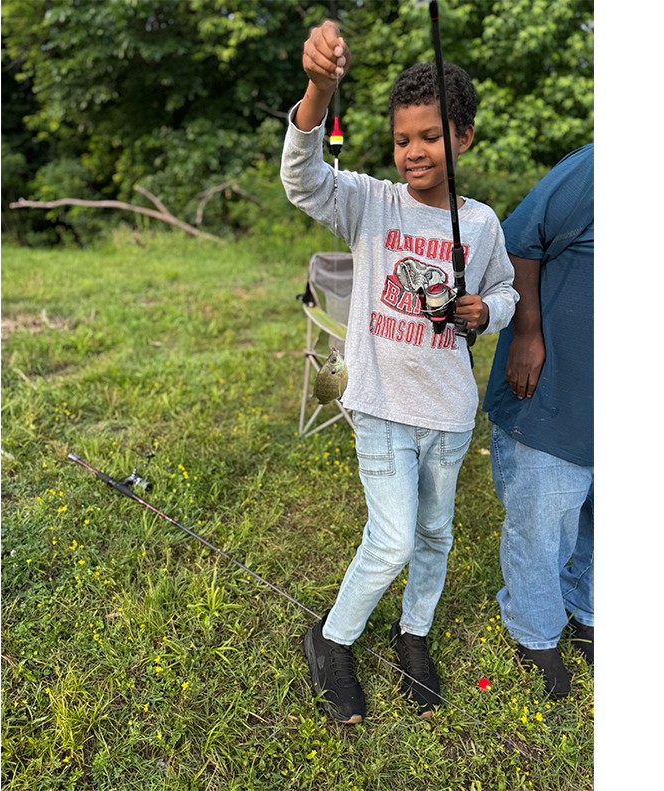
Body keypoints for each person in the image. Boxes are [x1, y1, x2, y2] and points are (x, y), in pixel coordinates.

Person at [281, 20, 518, 724]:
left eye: (429, 137)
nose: (413, 151)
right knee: (390, 538)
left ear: (463, 137)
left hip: (447, 413)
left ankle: (412, 632)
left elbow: (503, 289)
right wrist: (319, 90)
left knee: (435, 535)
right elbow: (301, 177)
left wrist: (485, 312)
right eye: (401, 138)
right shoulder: (368, 203)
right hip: (382, 404)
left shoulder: (479, 224)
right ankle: (330, 639)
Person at [482, 144, 594, 698]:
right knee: (543, 517)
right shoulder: (598, 167)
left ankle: (587, 611)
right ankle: (536, 633)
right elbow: (519, 238)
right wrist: (527, 335)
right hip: (552, 393)